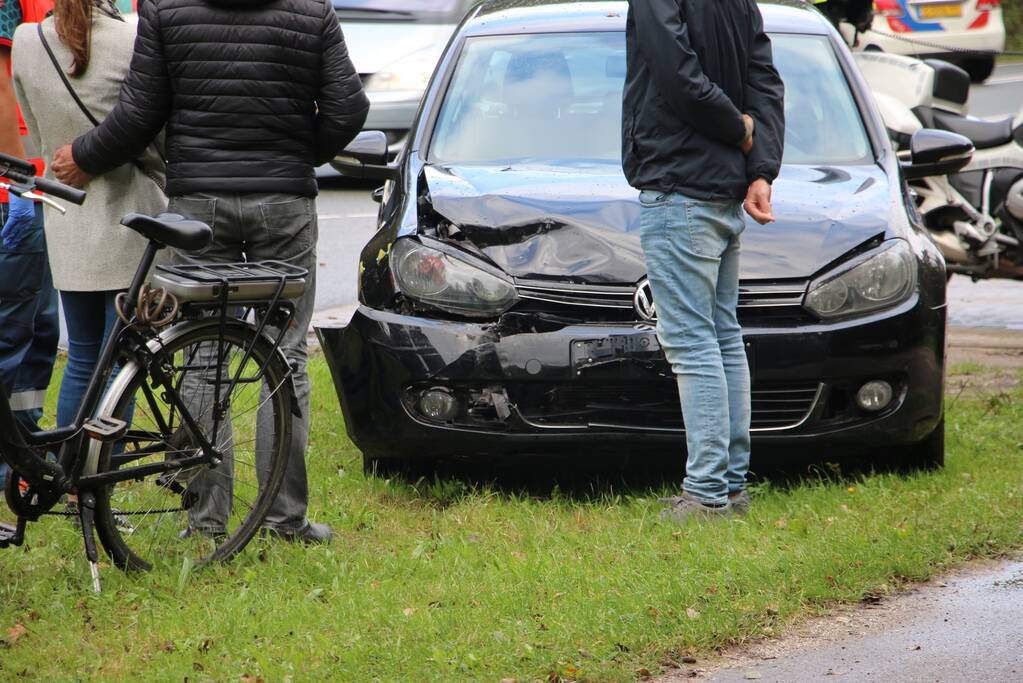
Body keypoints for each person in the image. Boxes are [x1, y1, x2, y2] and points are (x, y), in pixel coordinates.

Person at [52, 0, 369, 543]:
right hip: (284, 205)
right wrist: (291, 154)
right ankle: (283, 519)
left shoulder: (165, 9)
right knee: (286, 354)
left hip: (198, 206)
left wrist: (84, 154)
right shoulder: (312, 10)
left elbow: (139, 116)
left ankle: (205, 522)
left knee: (201, 358)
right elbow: (347, 108)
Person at [622, 0, 784, 520]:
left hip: (678, 184)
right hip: (721, 189)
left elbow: (678, 74)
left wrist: (738, 131)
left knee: (694, 343)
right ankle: (732, 488)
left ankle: (708, 494)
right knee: (721, 336)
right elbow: (766, 83)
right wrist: (761, 170)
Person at [13, 0, 165, 436]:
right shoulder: (132, 37)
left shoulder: (28, 39)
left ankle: (72, 469)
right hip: (130, 212)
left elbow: (40, 139)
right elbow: (150, 131)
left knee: (82, 354)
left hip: (65, 212)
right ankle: (100, 476)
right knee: (120, 358)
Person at [0, 0, 58, 492]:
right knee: (11, 335)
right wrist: (19, 184)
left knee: (40, 330)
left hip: (41, 190)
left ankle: (24, 446)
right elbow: (1, 85)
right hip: (15, 192)